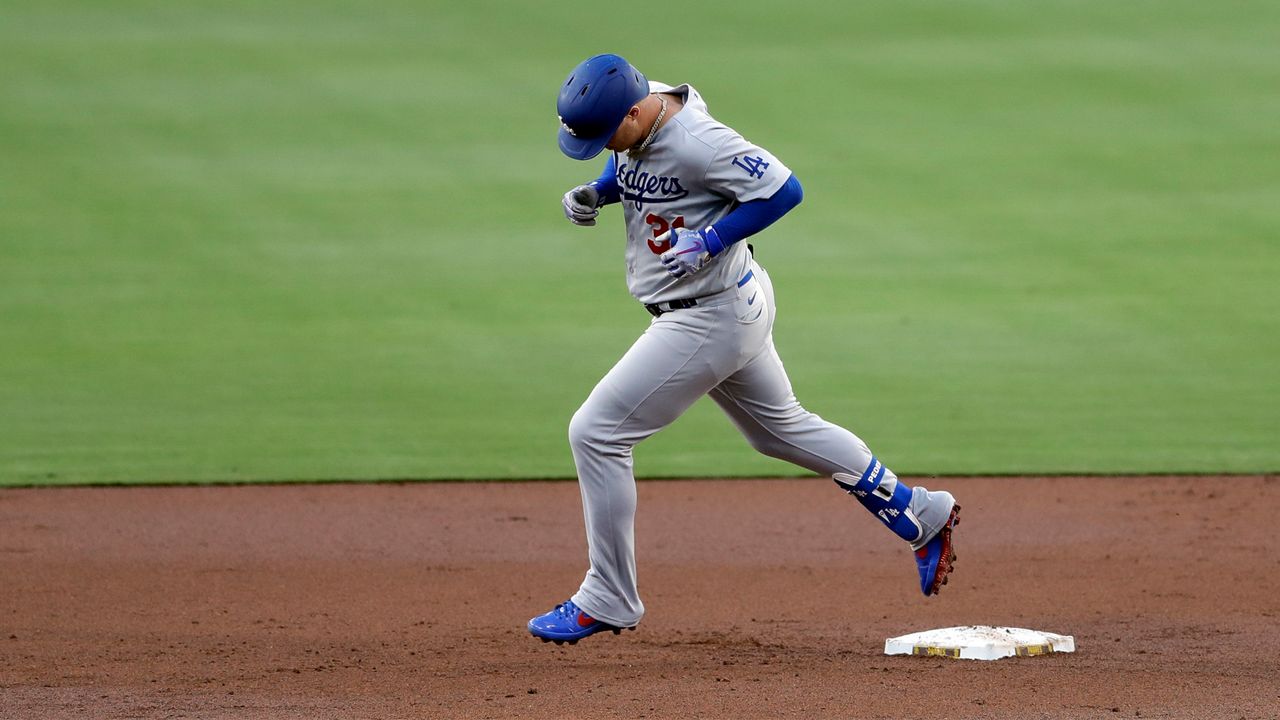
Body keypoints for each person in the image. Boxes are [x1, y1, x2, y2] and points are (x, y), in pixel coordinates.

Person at [528, 54, 960, 646]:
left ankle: (609, 596)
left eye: (606, 135)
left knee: (596, 433)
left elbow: (785, 189)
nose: (606, 145)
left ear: (634, 110)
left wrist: (711, 238)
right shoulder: (640, 104)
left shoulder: (701, 141)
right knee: (779, 430)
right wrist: (598, 191)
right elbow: (633, 167)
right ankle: (919, 512)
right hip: (730, 305)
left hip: (707, 318)